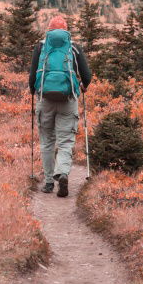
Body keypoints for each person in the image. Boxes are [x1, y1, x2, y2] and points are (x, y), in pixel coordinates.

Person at [29, 14, 92, 197]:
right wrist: (83, 87)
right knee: (65, 142)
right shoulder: (73, 48)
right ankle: (63, 173)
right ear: (66, 31)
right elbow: (86, 76)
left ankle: (49, 182)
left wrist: (34, 92)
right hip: (68, 101)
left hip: (45, 100)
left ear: (49, 30)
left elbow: (33, 76)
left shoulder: (41, 47)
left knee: (47, 141)